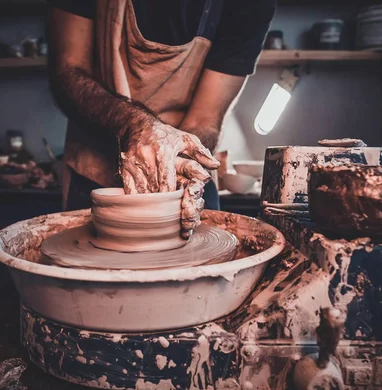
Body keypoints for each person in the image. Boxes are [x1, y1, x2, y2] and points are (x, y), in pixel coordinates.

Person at [49, 0, 275, 238]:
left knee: (202, 257)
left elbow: (205, 119)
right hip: (94, 169)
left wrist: (178, 163)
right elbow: (67, 70)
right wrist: (135, 125)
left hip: (182, 169)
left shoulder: (251, 5)